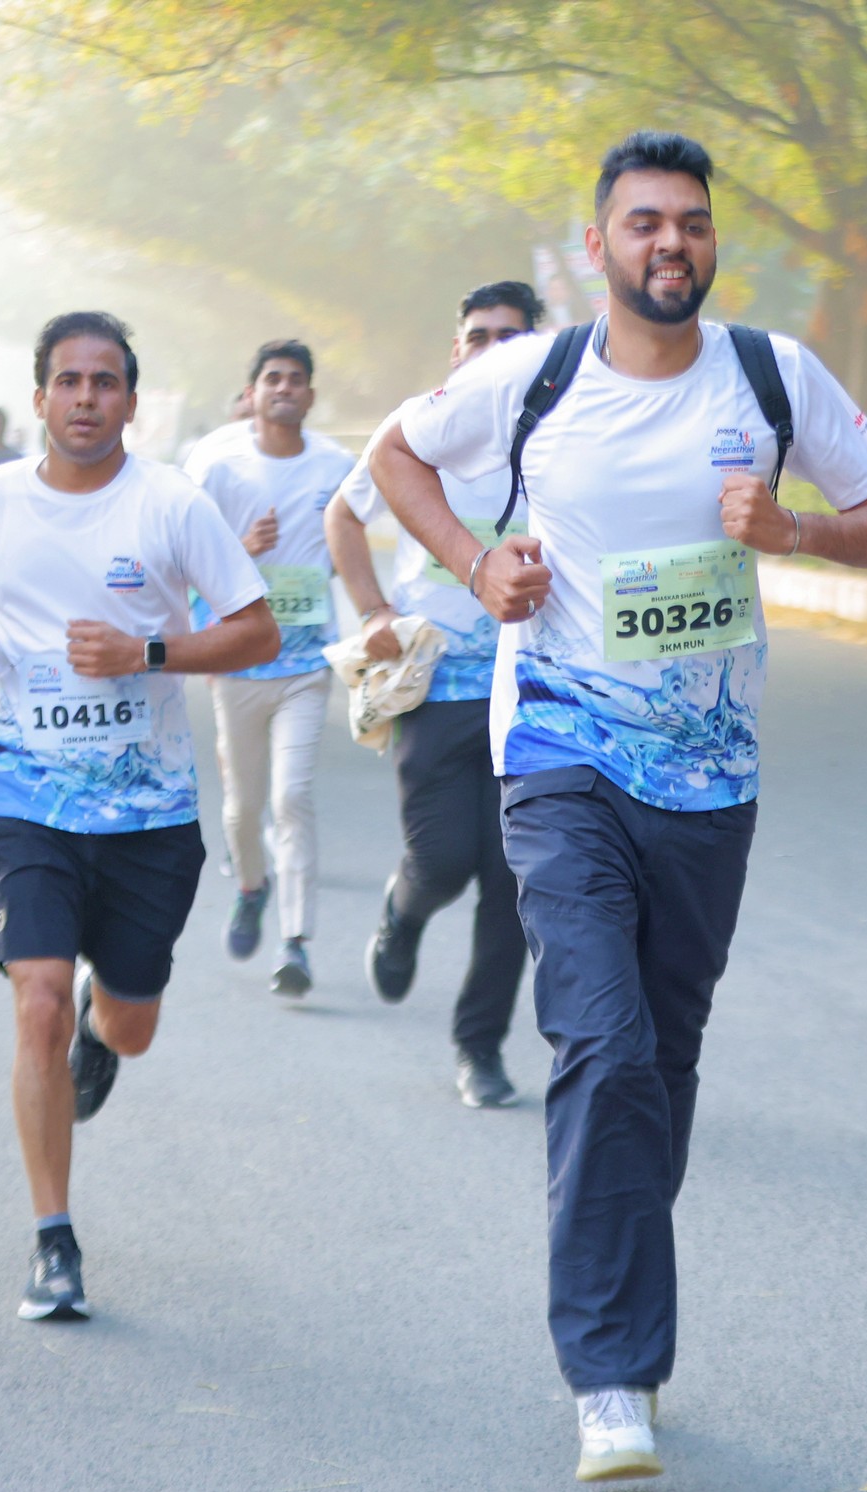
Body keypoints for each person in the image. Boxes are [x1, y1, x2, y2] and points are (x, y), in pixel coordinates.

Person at [371, 131, 867, 1483]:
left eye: (691, 223)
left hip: (709, 774)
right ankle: (612, 1376)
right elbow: (394, 456)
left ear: (711, 241)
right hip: (560, 751)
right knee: (603, 1046)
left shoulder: (772, 375)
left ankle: (615, 1259)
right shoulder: (534, 375)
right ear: (599, 245)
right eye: (644, 223)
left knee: (659, 1065)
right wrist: (477, 564)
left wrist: (795, 531)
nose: (671, 243)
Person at [0, 311, 279, 1323]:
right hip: (26, 795)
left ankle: (100, 1023)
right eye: (67, 381)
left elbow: (257, 631)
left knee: (130, 1023)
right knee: (33, 1000)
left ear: (130, 400)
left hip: (148, 811)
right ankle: (54, 1239)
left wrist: (147, 653)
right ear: (39, 398)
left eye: (104, 381)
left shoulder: (172, 503)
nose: (85, 398)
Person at [328, 280, 544, 1109]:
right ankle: (405, 908)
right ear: (457, 349)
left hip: (537, 692)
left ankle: (478, 1047)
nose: (492, 349)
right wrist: (374, 610)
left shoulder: (564, 432)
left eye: (510, 336)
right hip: (437, 684)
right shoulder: (418, 429)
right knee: (445, 859)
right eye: (478, 336)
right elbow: (343, 517)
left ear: (536, 349)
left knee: (515, 880)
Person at [190, 341, 359, 999]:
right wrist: (241, 549)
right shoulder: (217, 464)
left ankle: (296, 943)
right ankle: (251, 887)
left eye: (295, 380)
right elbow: (187, 554)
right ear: (252, 393)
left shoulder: (335, 466)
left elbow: (351, 540)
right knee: (242, 809)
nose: (284, 388)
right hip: (238, 661)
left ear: (310, 395)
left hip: (305, 664)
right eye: (272, 379)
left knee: (293, 797)